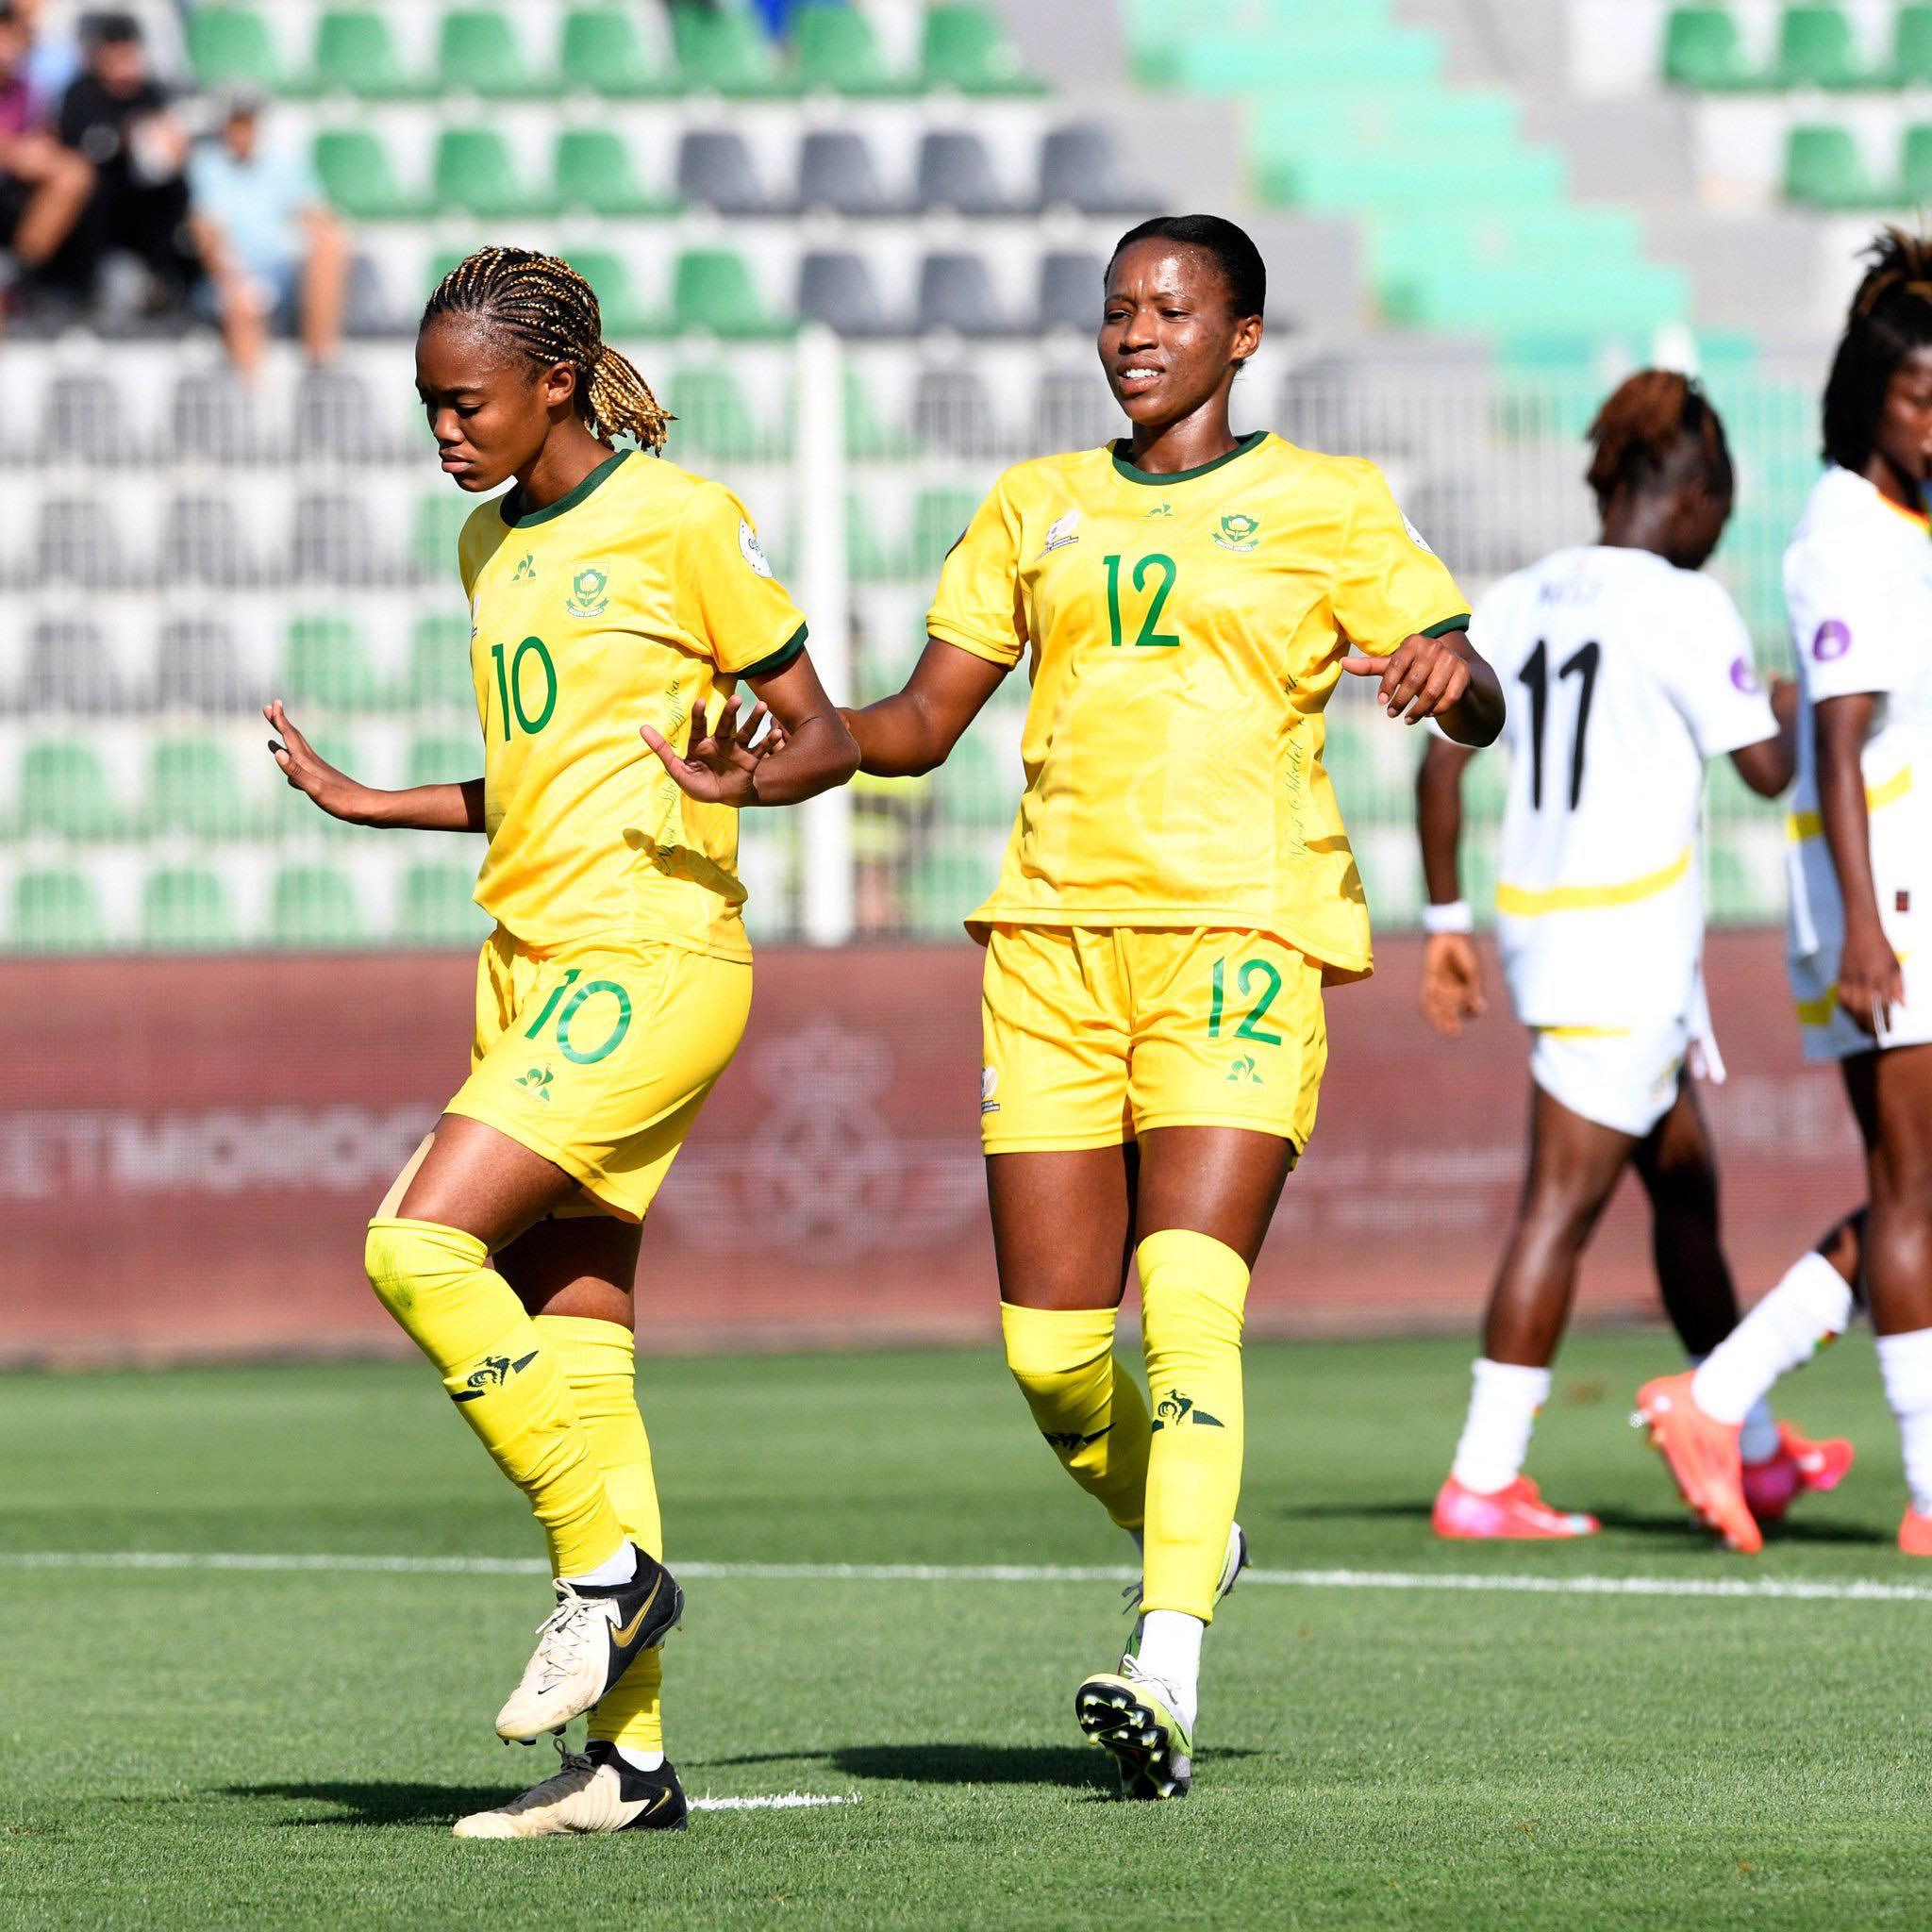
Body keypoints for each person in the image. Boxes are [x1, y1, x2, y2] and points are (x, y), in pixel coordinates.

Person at [793, 212, 1505, 1798]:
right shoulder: (1031, 503)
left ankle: (1163, 1658)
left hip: (1237, 937)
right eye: (1117, 309)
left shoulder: (1329, 501)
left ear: (1241, 336)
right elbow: (916, 723)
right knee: (1052, 1360)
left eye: (1171, 310)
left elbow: (1472, 683)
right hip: (1049, 948)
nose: (1134, 334)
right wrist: (788, 750)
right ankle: (1194, 1521)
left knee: (1187, 1296)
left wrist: (1449, 681)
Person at [264, 246, 858, 1835]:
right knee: (579, 1342)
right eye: (427, 404)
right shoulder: (487, 542)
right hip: (528, 968)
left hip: (650, 954)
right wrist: (368, 800)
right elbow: (537, 776)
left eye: (466, 402)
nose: (444, 430)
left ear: (551, 385)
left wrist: (748, 775)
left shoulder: (682, 520)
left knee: (413, 1246)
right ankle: (628, 1764)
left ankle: (608, 1573)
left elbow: (825, 735)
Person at [1417, 370, 1852, 1541]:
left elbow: (1440, 762)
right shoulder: (1681, 603)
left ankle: (1750, 1447)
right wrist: (1806, 696)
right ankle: (1482, 1474)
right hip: (1622, 945)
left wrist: (1444, 921)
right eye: (1720, 510)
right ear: (1695, 494)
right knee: (1557, 1205)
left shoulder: (1518, 595)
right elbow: (1767, 769)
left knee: (1684, 1191)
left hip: (1544, 926)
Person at [1636, 229, 1932, 1557]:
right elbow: (1836, 735)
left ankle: (1718, 1396)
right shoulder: (1842, 533)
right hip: (1889, 898)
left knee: (1918, 1190)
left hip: (1906, 885)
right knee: (1910, 1191)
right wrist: (1865, 927)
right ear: (1867, 403)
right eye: (1917, 399)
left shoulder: (1900, 523)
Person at [188, 89, 348, 375]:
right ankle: (251, 394)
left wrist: (324, 232)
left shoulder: (282, 162)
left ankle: (321, 364)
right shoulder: (206, 164)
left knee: (331, 246)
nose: (242, 132)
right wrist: (235, 279)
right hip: (232, 272)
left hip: (281, 270)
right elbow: (206, 232)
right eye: (236, 123)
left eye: (247, 123)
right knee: (242, 301)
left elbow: (318, 215)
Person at [57, 9, 196, 308]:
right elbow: (80, 146)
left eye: (129, 53)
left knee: (178, 189)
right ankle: (83, 290)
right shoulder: (80, 94)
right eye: (116, 55)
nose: (124, 63)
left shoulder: (152, 94)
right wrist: (127, 137)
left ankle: (161, 279)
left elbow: (170, 141)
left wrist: (172, 145)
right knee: (89, 186)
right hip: (98, 203)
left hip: (142, 201)